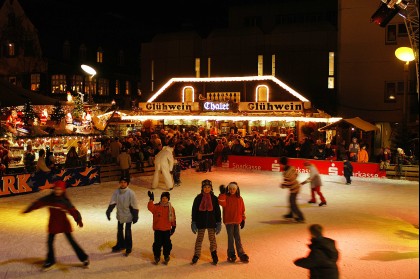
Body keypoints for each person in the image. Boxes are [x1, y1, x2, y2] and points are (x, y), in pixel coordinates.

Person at [22, 180, 89, 270]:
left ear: (63, 190)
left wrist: (78, 220)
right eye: (56, 189)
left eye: (60, 189)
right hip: (53, 224)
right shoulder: (49, 199)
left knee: (72, 241)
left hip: (64, 224)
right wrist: (28, 209)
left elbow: (73, 211)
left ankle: (84, 258)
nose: (58, 191)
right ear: (53, 189)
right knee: (49, 242)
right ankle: (50, 260)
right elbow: (38, 203)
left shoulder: (64, 201)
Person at [106, 177, 139, 256]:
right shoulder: (116, 192)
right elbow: (113, 202)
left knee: (127, 231)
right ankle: (120, 244)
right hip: (120, 214)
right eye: (121, 182)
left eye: (124, 182)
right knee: (119, 230)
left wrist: (135, 215)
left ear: (127, 183)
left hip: (128, 215)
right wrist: (109, 211)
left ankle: (128, 247)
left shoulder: (131, 193)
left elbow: (134, 205)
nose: (123, 184)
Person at [191, 179, 222, 265]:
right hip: (200, 222)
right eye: (205, 187)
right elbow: (194, 211)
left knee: (212, 239)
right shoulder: (198, 198)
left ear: (211, 188)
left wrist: (218, 222)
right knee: (199, 239)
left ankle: (214, 254)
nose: (207, 189)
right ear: (202, 188)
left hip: (211, 223)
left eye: (208, 187)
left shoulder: (214, 199)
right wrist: (193, 222)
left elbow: (217, 211)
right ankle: (196, 255)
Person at [218, 182, 249, 263]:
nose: (232, 190)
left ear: (237, 189)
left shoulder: (240, 198)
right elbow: (221, 202)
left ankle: (241, 253)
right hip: (229, 221)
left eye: (234, 189)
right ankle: (231, 254)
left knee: (238, 238)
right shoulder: (226, 197)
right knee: (230, 238)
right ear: (228, 189)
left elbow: (242, 209)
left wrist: (243, 219)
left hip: (237, 221)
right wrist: (222, 194)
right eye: (230, 189)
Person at [147, 191, 176, 265]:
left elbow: (173, 218)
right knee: (157, 243)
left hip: (167, 229)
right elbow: (150, 207)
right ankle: (157, 256)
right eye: (163, 198)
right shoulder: (157, 207)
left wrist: (173, 226)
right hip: (158, 229)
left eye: (166, 198)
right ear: (161, 198)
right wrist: (151, 200)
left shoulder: (171, 208)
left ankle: (166, 255)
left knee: (167, 244)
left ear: (168, 199)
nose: (164, 199)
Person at [279, 156, 305, 223]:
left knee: (293, 204)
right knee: (291, 201)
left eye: (280, 164)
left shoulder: (286, 173)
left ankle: (301, 217)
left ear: (282, 164)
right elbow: (296, 175)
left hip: (294, 188)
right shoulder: (291, 168)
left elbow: (288, 183)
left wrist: (283, 185)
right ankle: (290, 214)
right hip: (296, 186)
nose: (279, 165)